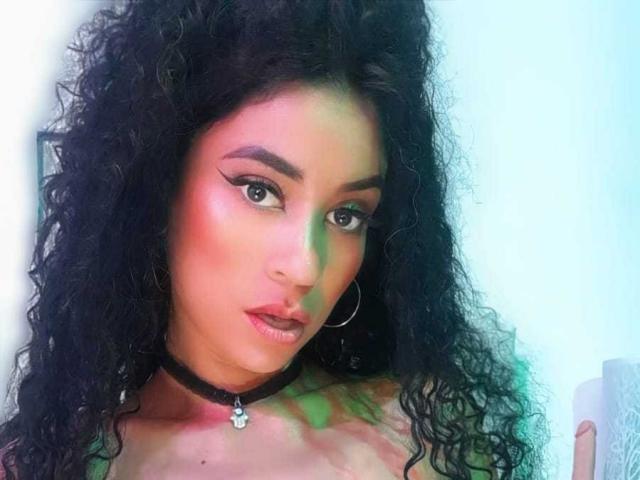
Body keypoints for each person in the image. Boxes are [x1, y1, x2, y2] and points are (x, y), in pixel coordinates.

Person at [0, 0, 594, 478]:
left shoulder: (425, 436)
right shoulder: (50, 466)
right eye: (260, 190)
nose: (306, 266)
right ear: (159, 184)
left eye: (347, 215)